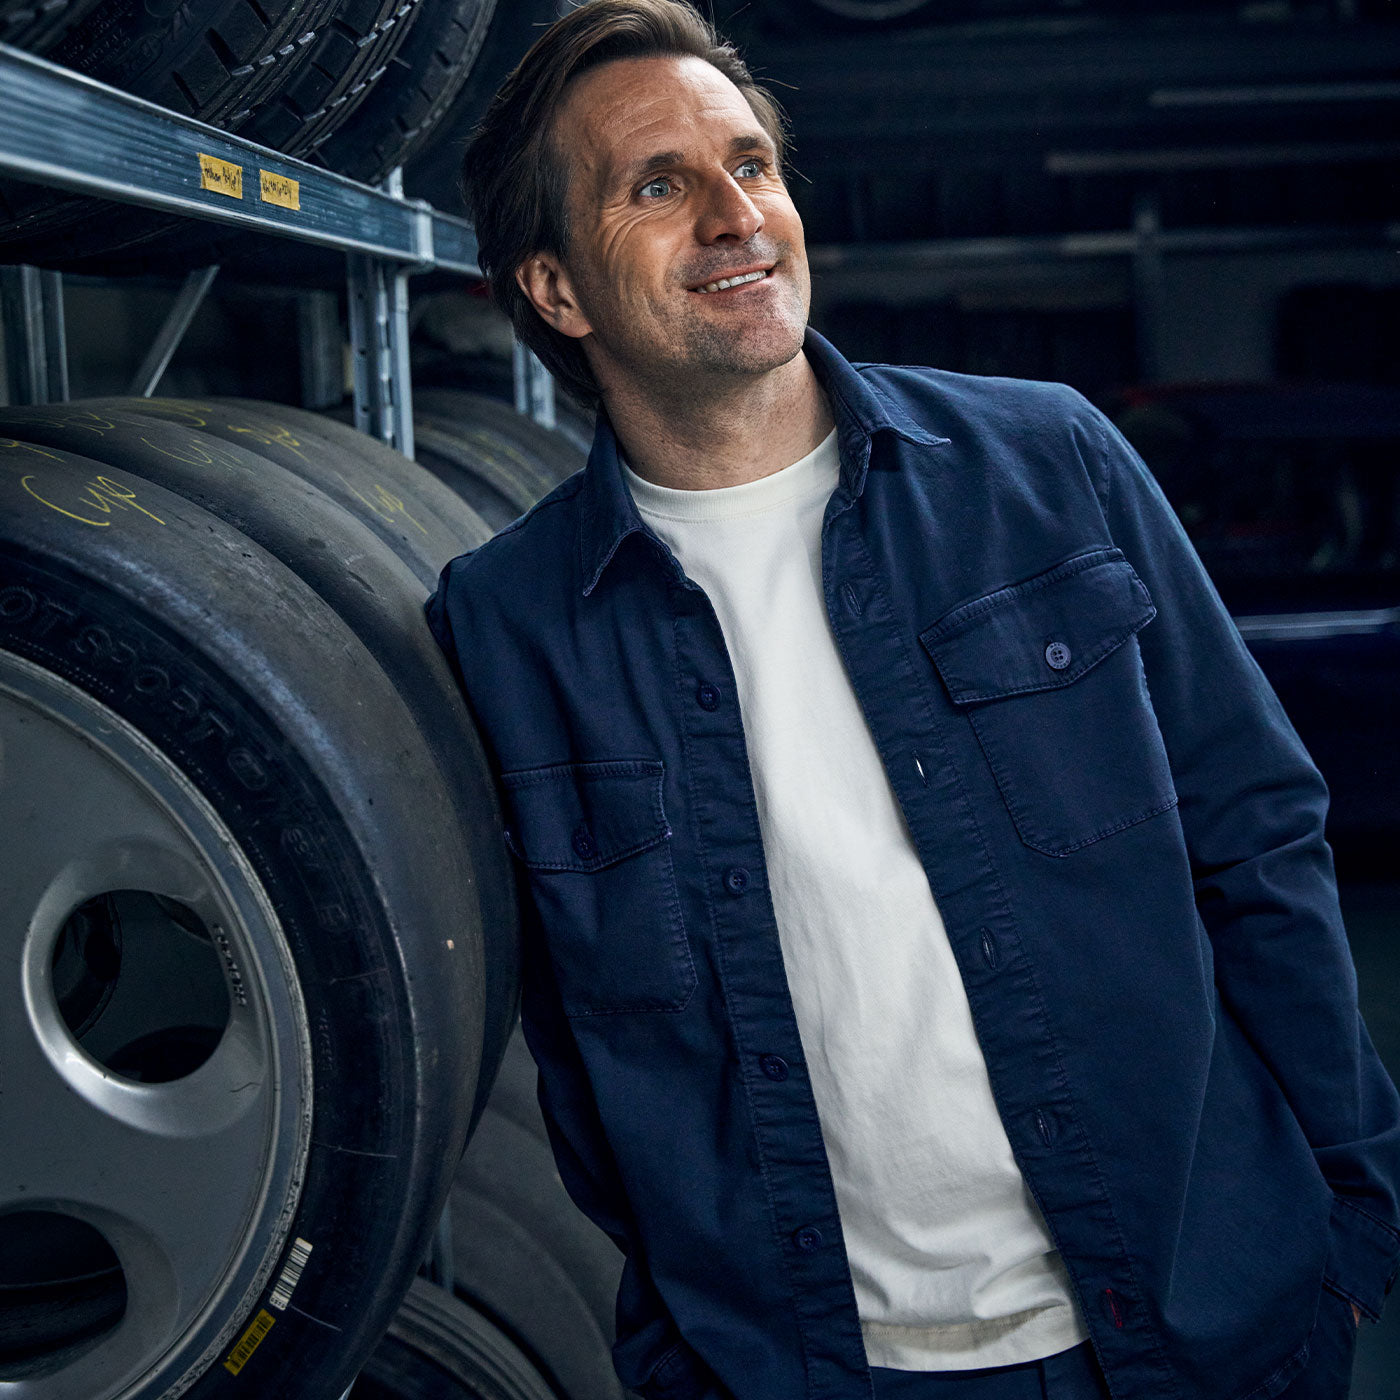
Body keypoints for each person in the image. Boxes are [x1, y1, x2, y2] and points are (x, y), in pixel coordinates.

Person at [425, 4, 1400, 1397]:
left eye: (751, 164)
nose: (736, 215)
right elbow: (582, 1055)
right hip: (821, 1365)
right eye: (658, 186)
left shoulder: (1047, 465)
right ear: (558, 291)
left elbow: (1257, 834)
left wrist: (1353, 1227)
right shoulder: (510, 625)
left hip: (1199, 1332)